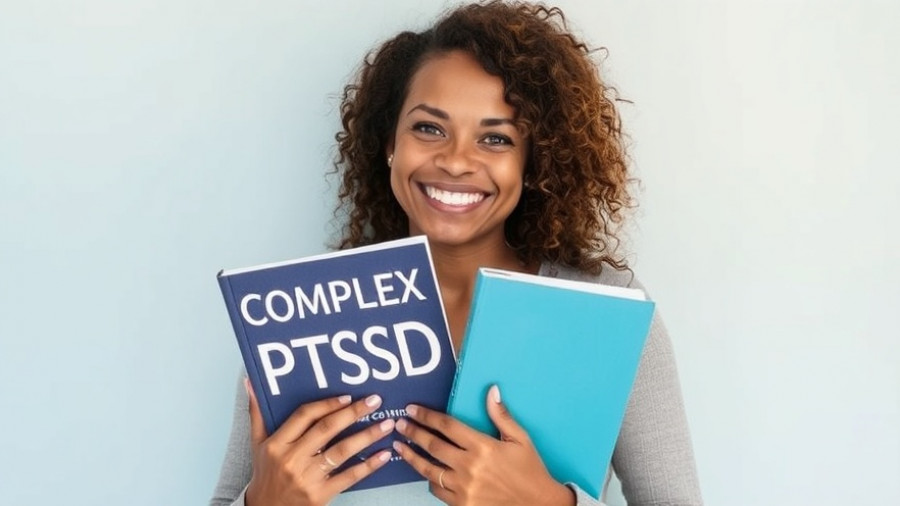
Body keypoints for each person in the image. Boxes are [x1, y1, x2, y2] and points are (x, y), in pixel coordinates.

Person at [210, 1, 703, 505]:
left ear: (533, 163)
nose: (456, 161)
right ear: (390, 144)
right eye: (429, 128)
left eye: (495, 138)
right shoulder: (302, 311)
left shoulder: (604, 306)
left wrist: (551, 503)